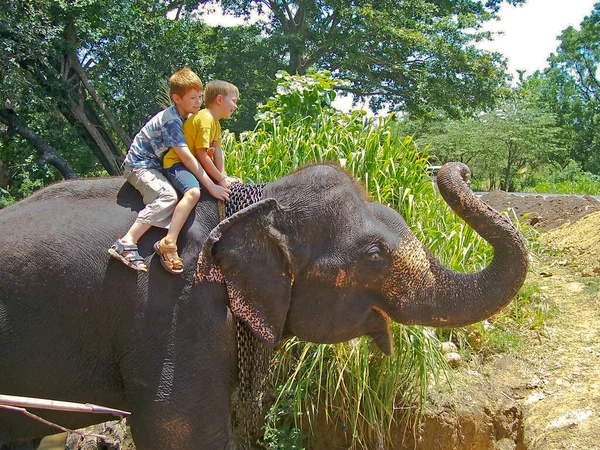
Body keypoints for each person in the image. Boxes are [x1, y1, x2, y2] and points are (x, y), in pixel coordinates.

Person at [108, 67, 230, 274]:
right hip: (142, 165)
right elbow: (187, 158)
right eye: (192, 98)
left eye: (200, 96)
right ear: (176, 98)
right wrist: (212, 185)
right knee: (167, 196)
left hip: (160, 165)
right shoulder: (172, 120)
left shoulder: (188, 118)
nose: (198, 101)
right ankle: (128, 241)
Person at [171, 80, 241, 191]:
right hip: (178, 164)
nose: (235, 106)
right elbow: (202, 155)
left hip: (194, 165)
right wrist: (221, 179)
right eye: (233, 101)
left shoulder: (216, 123)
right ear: (219, 100)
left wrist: (222, 176)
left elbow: (218, 151)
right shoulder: (205, 120)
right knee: (194, 192)